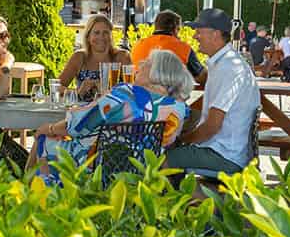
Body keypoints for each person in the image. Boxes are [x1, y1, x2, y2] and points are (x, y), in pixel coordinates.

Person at [33, 49, 192, 171]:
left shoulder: (126, 95)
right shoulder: (177, 109)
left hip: (97, 165)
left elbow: (78, 124)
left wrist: (50, 128)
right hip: (141, 169)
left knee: (45, 140)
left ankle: (40, 197)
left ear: (157, 74)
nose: (141, 64)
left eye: (147, 63)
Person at [166, 8, 261, 177]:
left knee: (158, 159)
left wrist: (183, 140)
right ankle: (187, 198)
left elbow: (212, 126)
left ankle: (180, 200)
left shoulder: (228, 67)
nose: (195, 36)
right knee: (165, 152)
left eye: (199, 31)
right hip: (223, 150)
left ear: (215, 34)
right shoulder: (225, 62)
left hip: (226, 156)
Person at [58, 13, 131, 101]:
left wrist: (109, 90)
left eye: (106, 32)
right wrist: (78, 91)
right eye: (96, 33)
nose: (101, 37)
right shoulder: (79, 57)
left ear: (111, 36)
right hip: (84, 111)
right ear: (88, 37)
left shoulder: (122, 56)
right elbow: (57, 87)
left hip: (115, 111)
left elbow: (133, 89)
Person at [132, 9, 205, 81]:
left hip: (140, 90)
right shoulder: (183, 48)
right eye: (179, 30)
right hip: (170, 91)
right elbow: (201, 76)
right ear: (176, 28)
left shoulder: (138, 45)